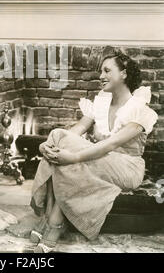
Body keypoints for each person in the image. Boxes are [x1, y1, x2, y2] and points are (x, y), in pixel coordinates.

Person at [30, 50, 158, 253]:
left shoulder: (139, 108)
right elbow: (75, 131)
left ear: (123, 74)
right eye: (101, 71)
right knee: (57, 135)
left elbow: (110, 145)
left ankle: (54, 222)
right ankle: (52, 218)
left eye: (107, 70)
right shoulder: (101, 102)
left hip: (126, 167)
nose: (101, 76)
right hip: (99, 159)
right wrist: (46, 145)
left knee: (71, 159)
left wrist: (72, 156)